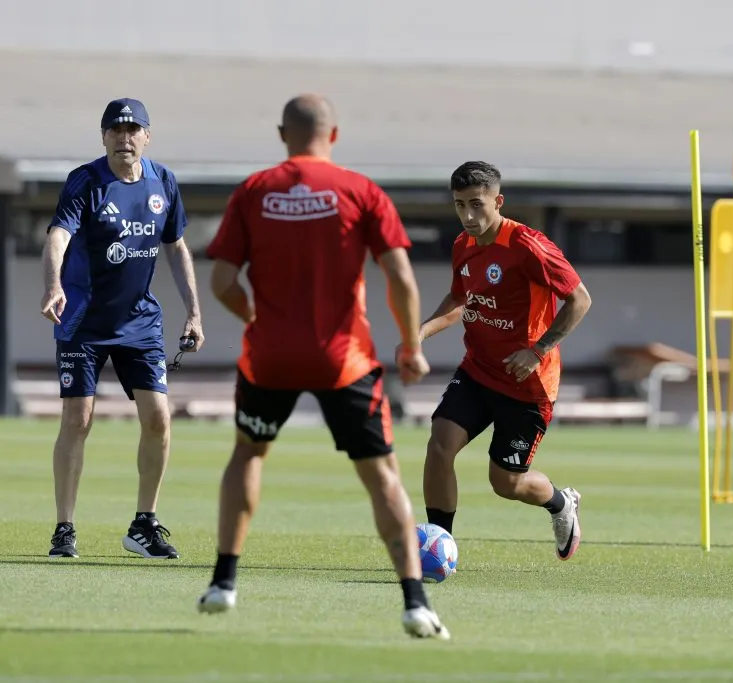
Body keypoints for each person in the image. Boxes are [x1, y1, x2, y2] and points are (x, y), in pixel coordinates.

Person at [197, 94, 449, 640]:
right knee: (381, 475)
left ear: (282, 134)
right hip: (344, 361)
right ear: (333, 135)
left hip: (270, 357)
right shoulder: (362, 191)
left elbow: (221, 282)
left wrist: (254, 316)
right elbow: (401, 278)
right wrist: (411, 346)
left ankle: (223, 582)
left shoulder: (255, 190)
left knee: (248, 453)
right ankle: (415, 603)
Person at [40, 97, 204, 560]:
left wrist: (194, 312)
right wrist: (53, 285)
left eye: (133, 130)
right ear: (103, 137)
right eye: (115, 130)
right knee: (78, 420)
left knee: (159, 419)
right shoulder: (86, 181)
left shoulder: (163, 182)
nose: (124, 138)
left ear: (147, 137)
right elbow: (58, 235)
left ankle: (143, 525)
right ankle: (64, 528)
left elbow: (176, 247)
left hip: (139, 322)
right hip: (82, 320)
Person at [413, 161, 592, 562]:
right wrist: (420, 333)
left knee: (506, 483)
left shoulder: (528, 245)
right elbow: (459, 299)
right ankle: (439, 548)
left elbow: (580, 300)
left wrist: (538, 350)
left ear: (498, 201)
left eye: (476, 204)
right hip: (478, 371)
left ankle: (561, 502)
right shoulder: (463, 245)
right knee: (439, 446)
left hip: (527, 384)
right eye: (460, 205)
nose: (468, 215)